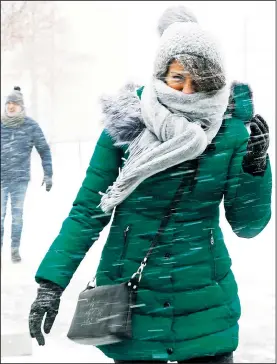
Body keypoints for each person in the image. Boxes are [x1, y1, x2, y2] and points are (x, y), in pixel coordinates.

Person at [28, 6, 272, 364]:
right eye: (177, 77)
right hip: (132, 299)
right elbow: (87, 212)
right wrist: (51, 284)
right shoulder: (126, 128)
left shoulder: (230, 132)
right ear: (161, 72)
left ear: (215, 81)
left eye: (199, 81)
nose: (187, 91)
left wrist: (256, 168)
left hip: (204, 300)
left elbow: (247, 225)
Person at [1, 86, 53, 263]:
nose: (10, 106)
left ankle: (14, 250)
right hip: (1, 178)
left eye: (14, 103)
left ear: (21, 106)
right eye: (8, 103)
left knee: (16, 216)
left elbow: (44, 150)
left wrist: (48, 174)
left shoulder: (30, 126)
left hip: (19, 179)